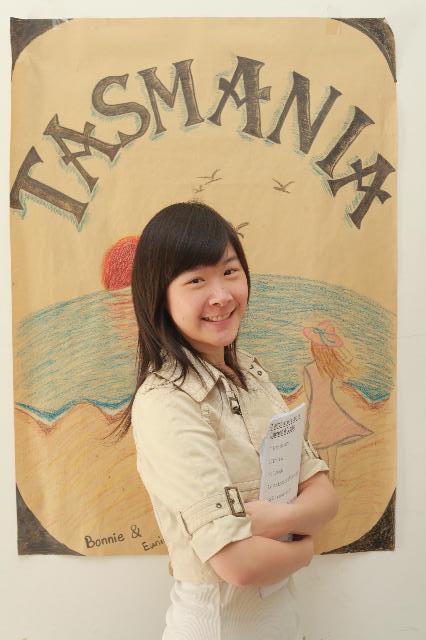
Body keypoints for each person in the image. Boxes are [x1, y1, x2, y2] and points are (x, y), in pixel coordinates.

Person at [112, 201, 339, 639]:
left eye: (230, 271)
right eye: (196, 280)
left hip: (282, 624)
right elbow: (238, 565)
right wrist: (304, 549)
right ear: (159, 295)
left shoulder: (251, 375)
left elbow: (326, 498)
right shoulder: (165, 403)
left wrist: (267, 520)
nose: (221, 295)